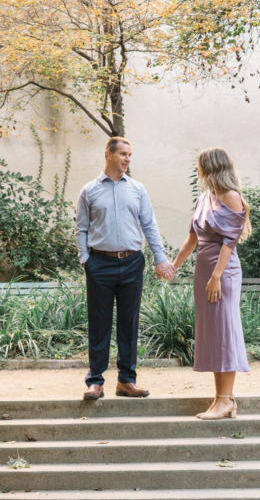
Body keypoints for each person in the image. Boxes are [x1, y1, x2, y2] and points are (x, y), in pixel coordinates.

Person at [75, 136, 175, 401]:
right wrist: (86, 259)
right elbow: (81, 228)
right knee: (99, 323)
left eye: (130, 155)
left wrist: (160, 258)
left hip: (132, 262)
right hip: (100, 264)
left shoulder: (138, 189)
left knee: (129, 323)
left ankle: (126, 381)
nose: (128, 159)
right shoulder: (89, 190)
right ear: (108, 154)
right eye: (123, 154)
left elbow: (149, 225)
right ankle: (95, 382)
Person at [169, 146, 251, 419]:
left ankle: (225, 400)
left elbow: (230, 242)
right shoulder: (204, 197)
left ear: (211, 166)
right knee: (214, 334)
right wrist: (174, 266)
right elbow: (191, 239)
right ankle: (223, 400)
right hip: (204, 270)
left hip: (222, 272)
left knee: (224, 331)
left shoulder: (231, 196)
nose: (196, 169)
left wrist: (216, 276)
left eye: (199, 164)